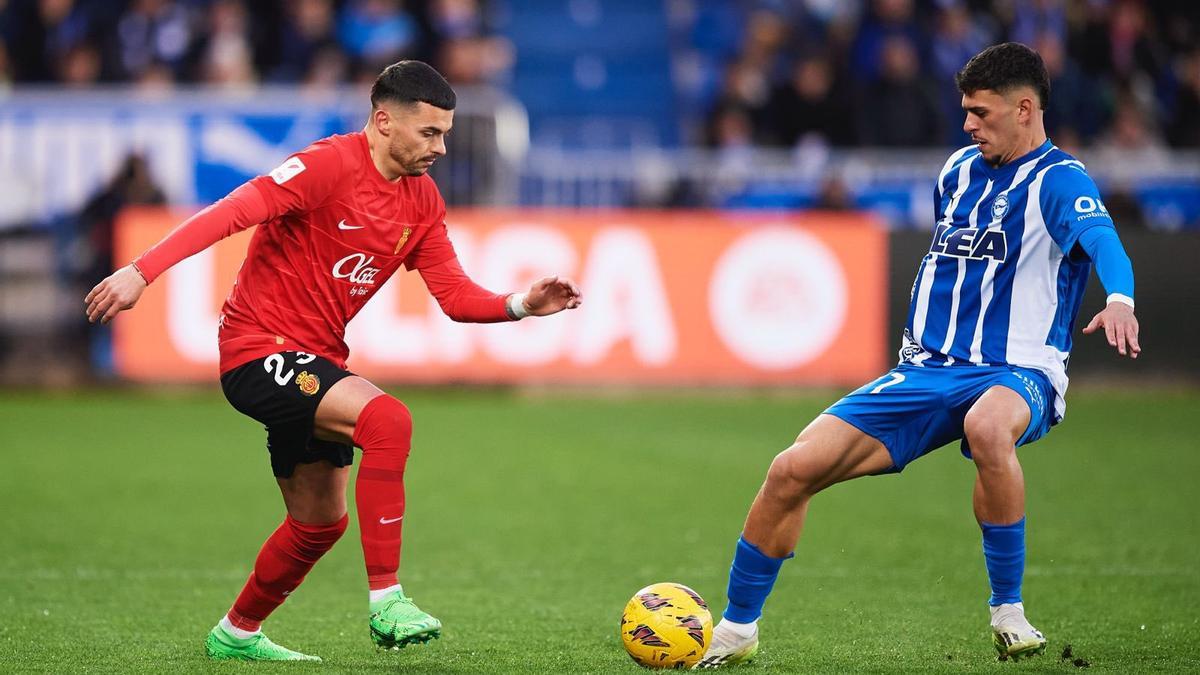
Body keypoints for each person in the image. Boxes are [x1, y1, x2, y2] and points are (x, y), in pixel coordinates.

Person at [84, 60, 582, 662]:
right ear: (383, 121)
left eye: (446, 133)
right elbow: (232, 211)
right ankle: (388, 600)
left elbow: (453, 296)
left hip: (315, 360)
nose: (442, 147)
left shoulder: (421, 201)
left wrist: (521, 304)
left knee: (319, 521)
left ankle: (236, 633)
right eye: (430, 133)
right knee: (388, 421)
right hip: (257, 350)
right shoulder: (326, 166)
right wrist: (142, 271)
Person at [696, 42, 1139, 668]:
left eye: (981, 113)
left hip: (1017, 370)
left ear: (1024, 109)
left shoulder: (1061, 181)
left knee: (989, 427)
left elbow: (1102, 239)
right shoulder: (957, 170)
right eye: (965, 111)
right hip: (925, 370)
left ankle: (1007, 613)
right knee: (789, 471)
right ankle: (737, 631)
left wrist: (1119, 296)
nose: (967, 124)